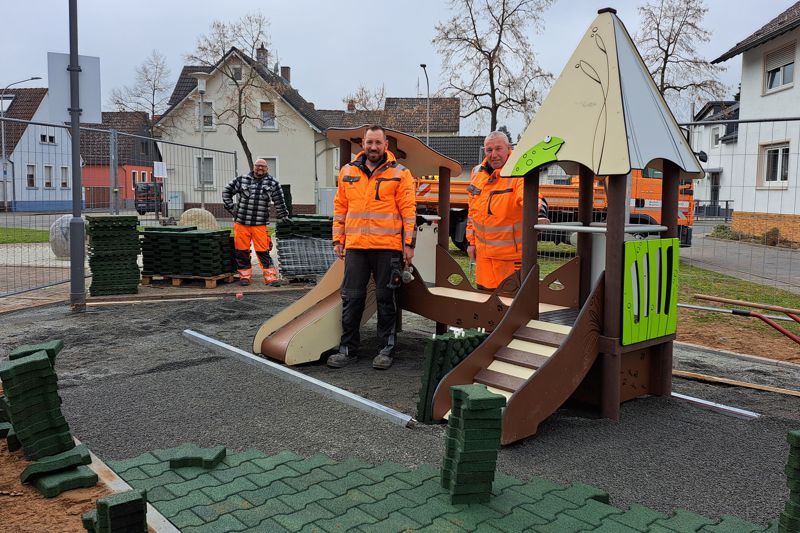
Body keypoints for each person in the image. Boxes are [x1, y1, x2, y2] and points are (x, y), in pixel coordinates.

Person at [327, 125, 417, 370]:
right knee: (351, 298)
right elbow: (340, 208)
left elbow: (408, 211)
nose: (373, 147)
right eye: (369, 143)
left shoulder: (400, 173)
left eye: (378, 143)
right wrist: (338, 239)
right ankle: (347, 350)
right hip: (356, 247)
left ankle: (385, 350)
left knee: (386, 298)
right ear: (363, 145)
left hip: (387, 248)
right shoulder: (347, 172)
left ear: (385, 145)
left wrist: (408, 244)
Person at [466, 131, 550, 290]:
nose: (494, 154)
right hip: (484, 260)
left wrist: (539, 213)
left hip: (509, 261)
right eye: (489, 150)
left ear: (509, 148)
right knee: (485, 305)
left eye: (499, 149)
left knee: (510, 307)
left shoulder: (519, 172)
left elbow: (533, 198)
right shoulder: (477, 173)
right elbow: (472, 212)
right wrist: (471, 242)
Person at [222, 158, 290, 286]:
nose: (260, 168)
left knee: (263, 251)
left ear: (267, 169)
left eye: (263, 167)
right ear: (254, 167)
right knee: (242, 251)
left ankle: (270, 277)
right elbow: (226, 191)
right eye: (258, 166)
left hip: (259, 224)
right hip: (241, 223)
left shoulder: (273, 183)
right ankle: (245, 277)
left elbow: (279, 201)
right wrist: (232, 208)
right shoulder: (241, 180)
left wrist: (283, 215)